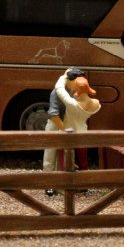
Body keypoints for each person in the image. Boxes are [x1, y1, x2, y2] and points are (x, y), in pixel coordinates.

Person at [42, 68, 83, 196]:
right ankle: (48, 184)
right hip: (55, 123)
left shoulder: (76, 91)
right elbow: (53, 113)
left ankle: (67, 183)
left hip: (68, 123)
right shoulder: (56, 92)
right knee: (50, 153)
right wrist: (63, 129)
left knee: (67, 153)